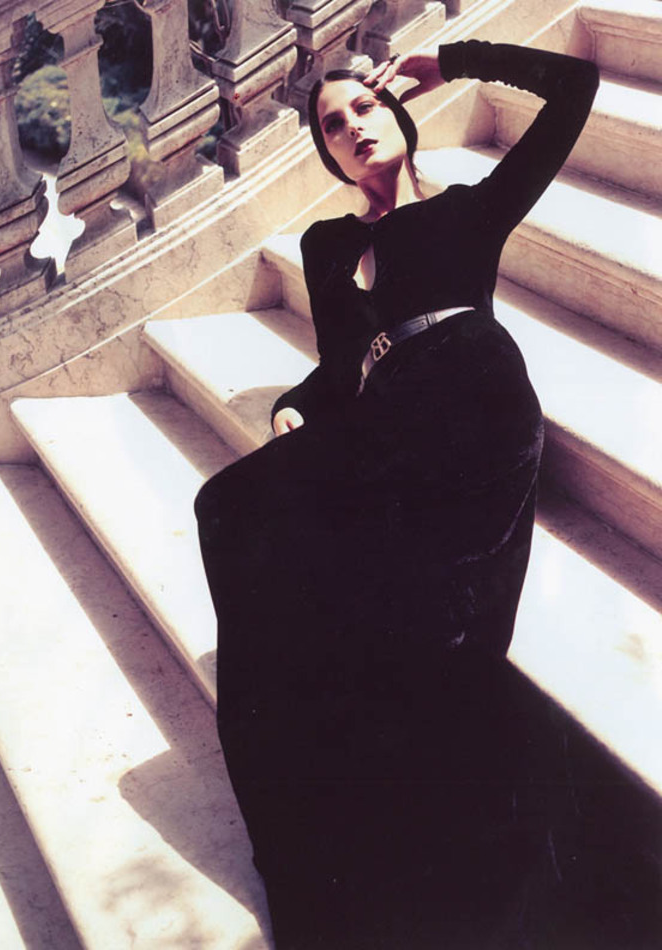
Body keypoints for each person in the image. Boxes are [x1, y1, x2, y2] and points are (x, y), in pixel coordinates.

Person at [195, 40, 656, 949]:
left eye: (364, 107)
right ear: (329, 157)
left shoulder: (471, 209)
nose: (353, 128)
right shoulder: (327, 246)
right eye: (334, 126)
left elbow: (576, 86)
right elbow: (342, 368)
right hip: (387, 415)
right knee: (227, 507)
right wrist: (298, 403)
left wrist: (451, 61)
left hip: (474, 391)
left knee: (389, 603)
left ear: (399, 114)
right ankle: (304, 813)